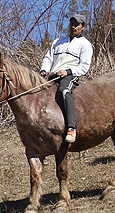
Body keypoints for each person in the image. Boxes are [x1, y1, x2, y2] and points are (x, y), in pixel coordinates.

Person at [39, 14, 94, 143]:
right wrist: (44, 69)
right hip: (53, 75)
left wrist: (68, 71)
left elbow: (84, 67)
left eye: (77, 24)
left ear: (83, 27)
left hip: (70, 76)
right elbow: (48, 57)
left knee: (64, 91)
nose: (73, 26)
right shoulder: (58, 41)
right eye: (72, 24)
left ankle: (71, 128)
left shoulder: (85, 44)